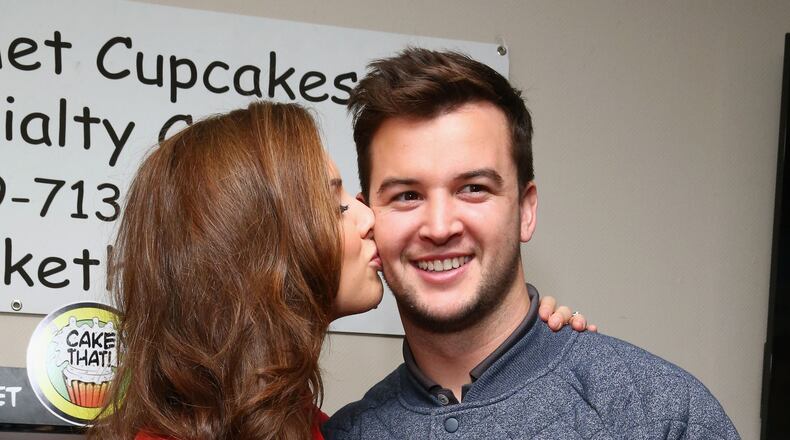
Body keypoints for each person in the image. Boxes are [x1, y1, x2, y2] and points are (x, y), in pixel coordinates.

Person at [87, 101, 590, 440]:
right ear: (262, 248)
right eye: (336, 206)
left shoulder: (319, 429)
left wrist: (539, 356)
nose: (371, 218)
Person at [322, 48, 740, 439]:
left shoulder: (654, 413)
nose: (439, 226)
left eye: (472, 188)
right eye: (407, 196)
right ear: (369, 216)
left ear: (525, 209)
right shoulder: (344, 433)